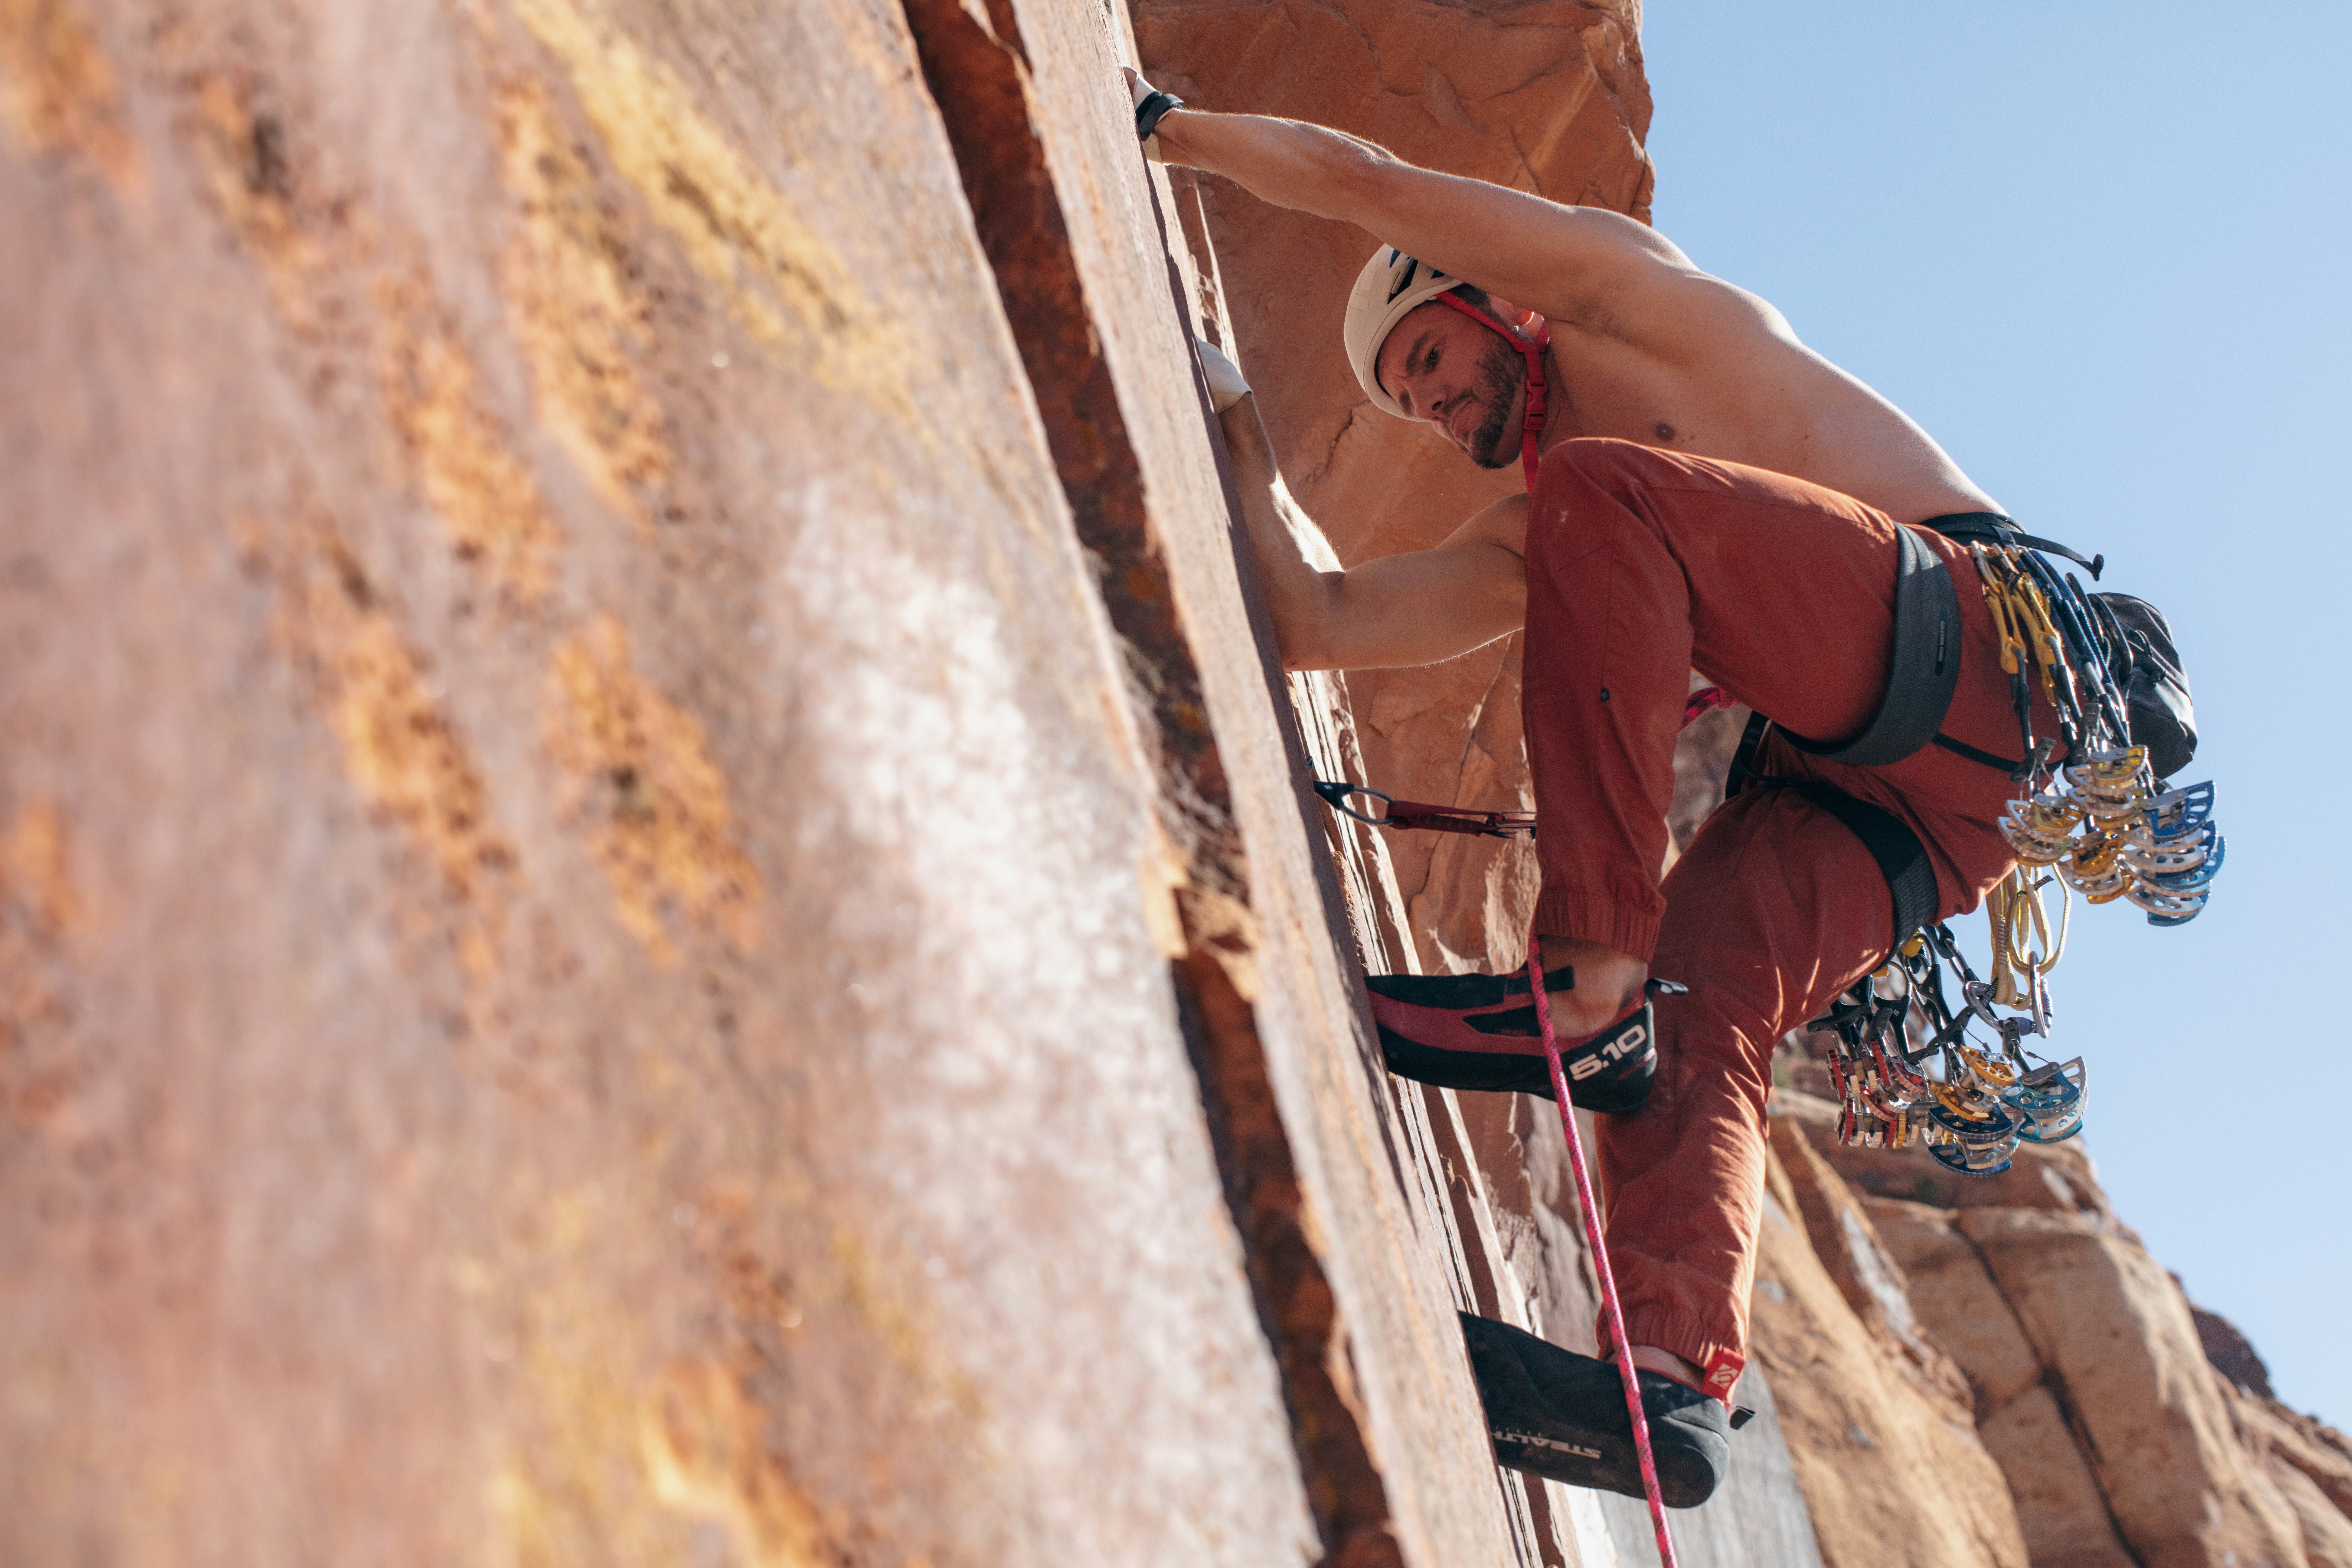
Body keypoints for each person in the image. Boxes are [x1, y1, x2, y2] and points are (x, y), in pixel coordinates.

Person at [1129, 74, 2060, 1505]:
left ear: (1492, 299)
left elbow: (1366, 178)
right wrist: (1237, 427)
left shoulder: (1634, 307)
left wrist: (1159, 128)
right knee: (1700, 1005)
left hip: (1987, 646)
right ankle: (1671, 1395)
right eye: (1409, 405)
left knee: (1602, 499)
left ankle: (1586, 989)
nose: (1434, 407)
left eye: (1430, 359)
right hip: (1911, 802)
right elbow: (1315, 623)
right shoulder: (1564, 521)